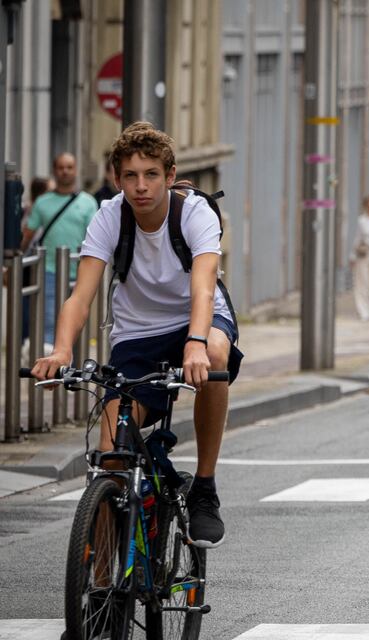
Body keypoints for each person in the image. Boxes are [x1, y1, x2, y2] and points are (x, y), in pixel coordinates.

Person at [32, 121, 243, 550]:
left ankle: (204, 486)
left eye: (150, 175)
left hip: (197, 323)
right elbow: (80, 296)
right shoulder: (110, 216)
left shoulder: (195, 214)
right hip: (137, 334)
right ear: (116, 178)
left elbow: (203, 287)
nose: (140, 186)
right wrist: (60, 349)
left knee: (216, 358)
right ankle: (105, 585)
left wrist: (196, 343)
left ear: (170, 176)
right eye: (130, 175)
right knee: (111, 456)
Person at [20, 153, 100, 346]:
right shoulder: (42, 202)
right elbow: (27, 236)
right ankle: (53, 370)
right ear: (54, 171)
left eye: (69, 167)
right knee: (49, 322)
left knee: (77, 322)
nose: (65, 171)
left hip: (81, 272)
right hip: (48, 271)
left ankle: (70, 367)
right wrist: (13, 261)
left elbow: (96, 238)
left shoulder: (88, 202)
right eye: (61, 167)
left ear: (76, 171)